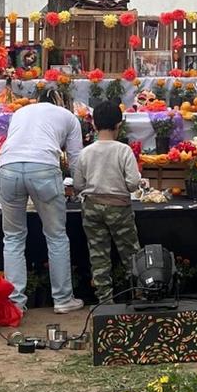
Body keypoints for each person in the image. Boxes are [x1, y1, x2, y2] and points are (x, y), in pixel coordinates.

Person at [0, 88, 86, 314]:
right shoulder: (69, 117)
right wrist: (78, 187)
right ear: (61, 101)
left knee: (13, 237)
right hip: (44, 168)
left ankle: (15, 302)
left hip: (8, 167)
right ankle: (63, 299)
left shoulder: (21, 113)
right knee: (56, 236)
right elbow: (76, 158)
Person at [73, 101, 142, 305]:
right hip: (119, 208)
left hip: (92, 207)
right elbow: (132, 184)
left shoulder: (86, 153)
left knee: (98, 254)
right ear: (118, 125)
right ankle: (140, 294)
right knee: (130, 252)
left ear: (94, 125)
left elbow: (78, 184)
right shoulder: (123, 151)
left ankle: (105, 301)